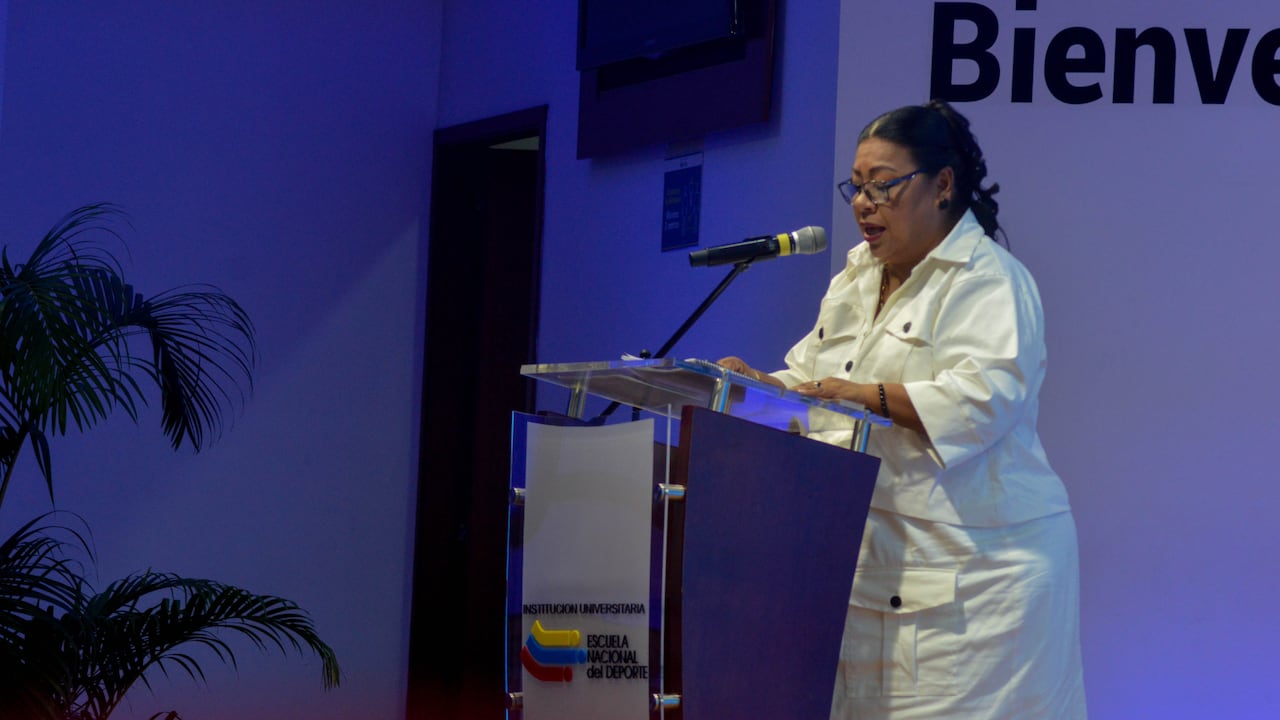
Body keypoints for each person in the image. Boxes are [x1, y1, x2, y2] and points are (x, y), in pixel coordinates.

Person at [718, 100, 1087, 719]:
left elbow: (986, 398)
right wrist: (756, 386)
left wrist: (868, 397)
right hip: (874, 573)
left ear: (943, 184)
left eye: (883, 185)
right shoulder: (856, 278)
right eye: (857, 187)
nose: (864, 203)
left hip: (980, 585)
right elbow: (817, 383)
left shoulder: (988, 278)